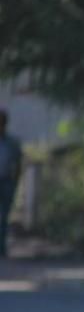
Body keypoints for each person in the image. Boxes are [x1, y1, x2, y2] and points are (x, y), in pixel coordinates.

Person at [0, 108, 23, 258]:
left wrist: (14, 183)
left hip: (6, 182)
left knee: (3, 217)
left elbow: (18, 165)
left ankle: (1, 247)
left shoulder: (12, 144)